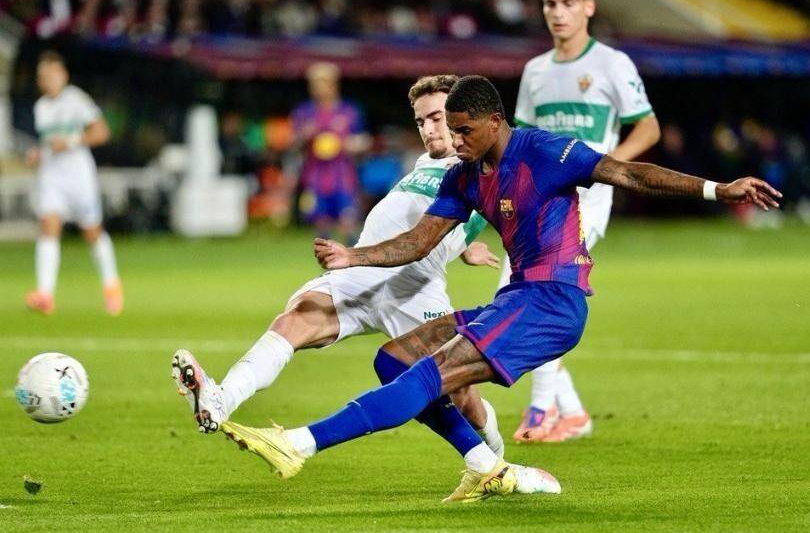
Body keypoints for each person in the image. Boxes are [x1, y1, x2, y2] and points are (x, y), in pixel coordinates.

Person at [217, 75, 780, 503]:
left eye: (463, 130)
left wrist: (718, 189)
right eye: (450, 129)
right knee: (395, 360)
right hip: (517, 298)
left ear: (494, 121)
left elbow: (630, 173)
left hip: (553, 302)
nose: (454, 140)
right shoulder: (464, 176)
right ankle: (485, 464)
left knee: (432, 374)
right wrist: (353, 256)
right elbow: (418, 241)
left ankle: (298, 444)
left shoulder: (547, 152)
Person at [172, 75, 561, 497]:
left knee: (461, 395)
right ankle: (220, 400)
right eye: (421, 121)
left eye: (437, 118)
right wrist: (466, 246)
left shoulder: (480, 167)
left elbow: (457, 222)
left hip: (414, 286)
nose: (429, 129)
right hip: (361, 273)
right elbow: (438, 219)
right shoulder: (426, 164)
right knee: (296, 319)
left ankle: (494, 459)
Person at [507, 0, 661, 443]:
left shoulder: (612, 64)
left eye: (568, 3)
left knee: (540, 290)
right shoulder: (535, 71)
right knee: (520, 293)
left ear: (589, 7)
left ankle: (541, 410)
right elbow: (520, 140)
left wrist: (605, 167)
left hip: (588, 199)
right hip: (538, 200)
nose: (558, 12)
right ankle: (572, 413)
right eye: (551, 3)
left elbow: (648, 127)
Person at [24, 51, 123, 316]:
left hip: (78, 175)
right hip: (52, 176)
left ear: (63, 75)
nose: (46, 81)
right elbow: (49, 144)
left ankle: (111, 284)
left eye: (51, 75)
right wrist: (38, 153)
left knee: (92, 231)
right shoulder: (41, 107)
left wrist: (69, 142)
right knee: (48, 226)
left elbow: (102, 132)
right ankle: (45, 294)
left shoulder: (76, 100)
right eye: (42, 77)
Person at [291, 62, 370, 243]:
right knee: (321, 227)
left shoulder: (349, 111)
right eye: (314, 84)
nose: (318, 88)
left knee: (348, 223)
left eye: (323, 83)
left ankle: (353, 257)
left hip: (343, 177)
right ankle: (328, 261)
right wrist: (304, 136)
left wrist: (351, 144)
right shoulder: (304, 113)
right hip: (315, 178)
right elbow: (293, 144)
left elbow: (364, 140)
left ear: (334, 84)